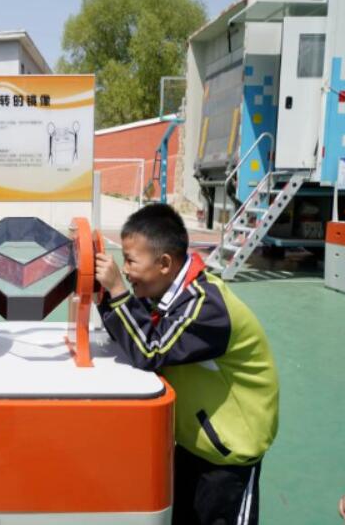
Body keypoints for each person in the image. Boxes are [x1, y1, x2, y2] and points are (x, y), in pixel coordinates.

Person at [94, 203, 279, 525]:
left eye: (131, 261)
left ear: (164, 263)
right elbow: (137, 330)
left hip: (228, 458)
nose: (125, 270)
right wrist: (103, 294)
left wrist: (117, 290)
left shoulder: (207, 306)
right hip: (194, 443)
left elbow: (151, 349)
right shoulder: (169, 295)